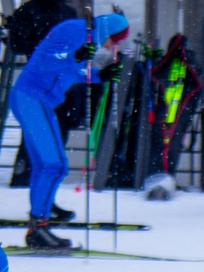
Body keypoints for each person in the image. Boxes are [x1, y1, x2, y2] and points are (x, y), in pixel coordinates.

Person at [11, 9, 125, 250]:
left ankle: (41, 215)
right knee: (55, 165)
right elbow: (46, 60)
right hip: (30, 98)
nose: (112, 45)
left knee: (48, 165)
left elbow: (71, 73)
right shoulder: (74, 30)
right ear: (110, 30)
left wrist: (99, 75)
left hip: (39, 101)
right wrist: (74, 55)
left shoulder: (88, 39)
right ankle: (38, 226)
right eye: (116, 38)